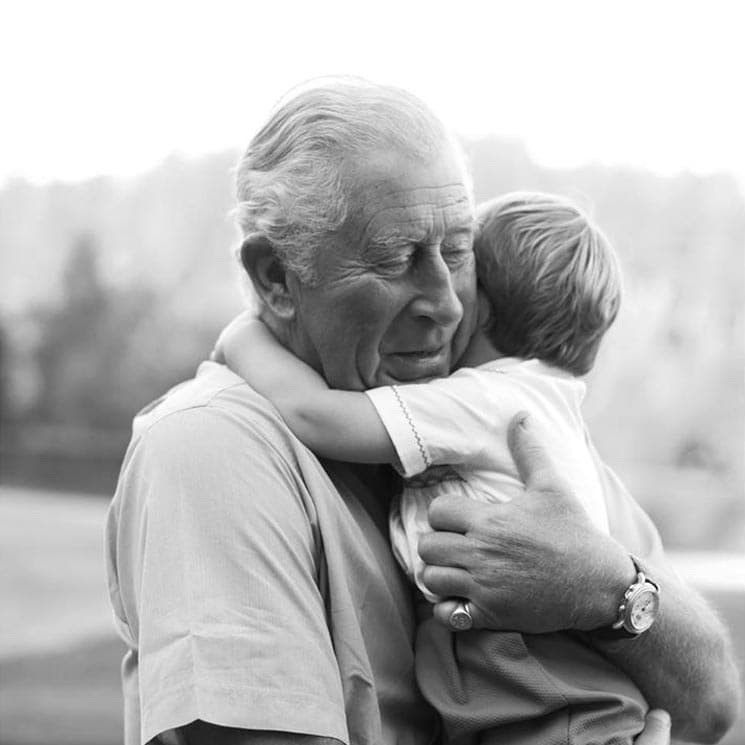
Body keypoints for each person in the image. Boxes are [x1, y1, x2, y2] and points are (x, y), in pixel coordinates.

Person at [104, 78, 740, 745]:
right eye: (398, 257)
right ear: (274, 277)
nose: (446, 300)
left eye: (457, 249)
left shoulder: (506, 425)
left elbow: (710, 705)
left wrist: (607, 588)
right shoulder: (214, 449)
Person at [214, 191, 649, 743]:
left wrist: (241, 338)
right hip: (546, 700)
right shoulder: (547, 404)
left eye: (458, 264)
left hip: (549, 701)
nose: (439, 297)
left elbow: (315, 415)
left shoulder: (486, 400)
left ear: (480, 306)